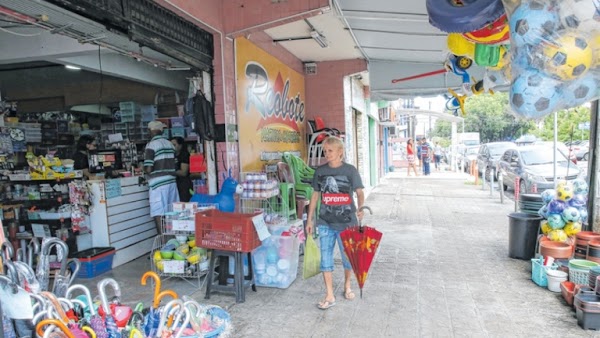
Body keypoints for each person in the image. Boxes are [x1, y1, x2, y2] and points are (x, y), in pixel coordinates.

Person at [306, 136, 365, 310]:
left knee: (348, 259)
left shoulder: (350, 171)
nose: (327, 154)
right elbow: (315, 196)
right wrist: (310, 219)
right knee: (325, 259)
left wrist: (361, 207)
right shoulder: (320, 171)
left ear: (340, 152)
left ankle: (347, 286)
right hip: (325, 222)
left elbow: (360, 192)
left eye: (330, 151)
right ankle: (330, 295)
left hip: (347, 223)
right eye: (325, 151)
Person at [144, 121, 179, 234]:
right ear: (161, 131)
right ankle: (173, 238)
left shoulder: (151, 145)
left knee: (158, 212)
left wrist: (143, 168)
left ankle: (162, 239)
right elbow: (175, 164)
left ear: (151, 131)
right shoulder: (170, 144)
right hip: (171, 182)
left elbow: (149, 168)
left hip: (158, 184)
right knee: (172, 212)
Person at [170, 136, 193, 202]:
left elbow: (184, 172)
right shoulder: (172, 155)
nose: (172, 147)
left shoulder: (184, 155)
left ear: (180, 145)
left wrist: (170, 171)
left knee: (183, 202)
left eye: (174, 145)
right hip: (175, 184)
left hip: (183, 185)